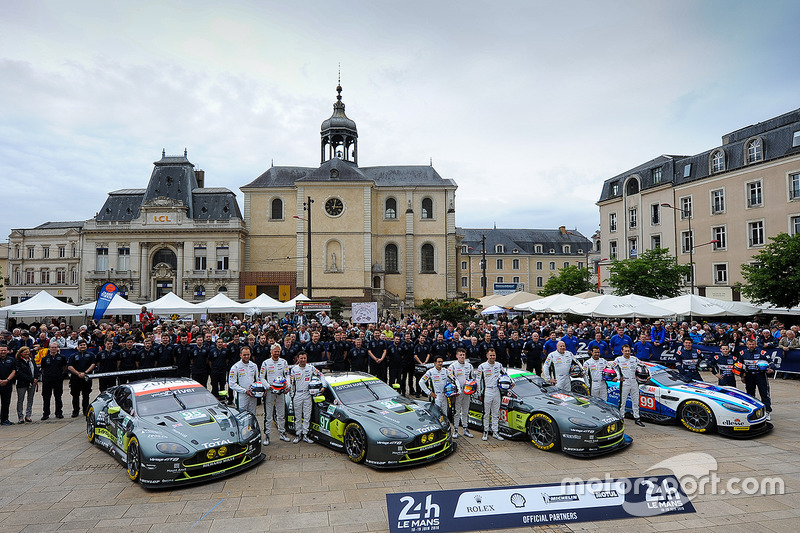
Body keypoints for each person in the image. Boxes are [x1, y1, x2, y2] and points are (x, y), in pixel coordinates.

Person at [288, 350, 327, 443]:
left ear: (307, 358)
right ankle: (298, 434)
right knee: (297, 416)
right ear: (298, 359)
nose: (303, 360)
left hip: (308, 394)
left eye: (304, 358)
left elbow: (321, 375)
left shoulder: (311, 368)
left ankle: (305, 434)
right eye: (301, 358)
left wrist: (323, 386)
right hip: (297, 394)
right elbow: (291, 383)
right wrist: (291, 394)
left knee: (307, 415)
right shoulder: (294, 370)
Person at [737, 338, 774, 420]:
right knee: (750, 395)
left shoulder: (762, 352)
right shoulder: (742, 353)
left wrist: (771, 369)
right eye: (749, 344)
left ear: (756, 344)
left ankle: (767, 411)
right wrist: (742, 376)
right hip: (749, 376)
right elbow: (739, 366)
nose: (751, 346)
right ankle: (752, 411)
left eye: (753, 344)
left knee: (764, 394)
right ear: (747, 345)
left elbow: (771, 362)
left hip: (760, 375)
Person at [261, 343, 290, 445]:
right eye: (275, 352)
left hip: (281, 392)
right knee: (268, 415)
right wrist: (269, 386)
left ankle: (282, 433)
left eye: (278, 351)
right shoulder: (265, 363)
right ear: (271, 352)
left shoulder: (284, 362)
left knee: (281, 414)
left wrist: (288, 386)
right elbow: (261, 377)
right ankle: (267, 435)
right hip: (270, 392)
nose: (277, 353)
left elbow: (287, 375)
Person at [477, 348, 505, 441]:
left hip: (496, 391)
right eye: (490, 355)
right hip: (487, 391)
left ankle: (495, 431)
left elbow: (505, 376)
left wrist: (510, 383)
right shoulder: (482, 366)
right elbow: (478, 381)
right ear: (487, 356)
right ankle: (485, 432)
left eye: (494, 355)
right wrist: (479, 393)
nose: (492, 357)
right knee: (486, 413)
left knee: (496, 413)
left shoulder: (499, 365)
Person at [613, 345, 645, 427]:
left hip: (634, 381)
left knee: (636, 402)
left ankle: (637, 418)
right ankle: (621, 419)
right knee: (622, 402)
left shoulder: (634, 359)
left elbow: (644, 365)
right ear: (622, 351)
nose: (627, 352)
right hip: (625, 382)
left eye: (628, 351)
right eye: (625, 351)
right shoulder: (618, 360)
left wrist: (648, 376)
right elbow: (611, 367)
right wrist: (617, 376)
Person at [447, 347, 474, 438]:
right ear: (457, 356)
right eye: (460, 355)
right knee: (457, 411)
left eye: (463, 355)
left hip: (467, 392)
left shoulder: (469, 366)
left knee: (465, 411)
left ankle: (465, 428)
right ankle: (456, 430)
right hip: (457, 393)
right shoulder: (452, 366)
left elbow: (472, 378)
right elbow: (449, 379)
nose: (462, 356)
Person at [67, 340, 95, 417]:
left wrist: (85, 372)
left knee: (86, 395)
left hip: (87, 378)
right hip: (75, 378)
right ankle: (75, 411)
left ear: (86, 346)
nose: (83, 346)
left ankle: (85, 410)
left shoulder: (91, 355)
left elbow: (93, 364)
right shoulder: (73, 356)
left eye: (84, 345)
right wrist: (78, 373)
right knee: (75, 395)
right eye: (81, 345)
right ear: (78, 346)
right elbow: (69, 366)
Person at [228, 346, 259, 415]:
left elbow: (257, 380)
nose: (246, 356)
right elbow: (232, 384)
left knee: (252, 415)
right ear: (240, 355)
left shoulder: (254, 366)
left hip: (252, 395)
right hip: (241, 396)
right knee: (242, 416)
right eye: (244, 355)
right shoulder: (235, 367)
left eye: (248, 354)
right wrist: (245, 391)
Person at [40, 341, 67, 420]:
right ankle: (46, 413)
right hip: (47, 380)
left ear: (58, 348)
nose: (53, 349)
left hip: (58, 379)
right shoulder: (45, 358)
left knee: (58, 397)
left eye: (55, 347)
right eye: (52, 347)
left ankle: (59, 413)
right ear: (49, 348)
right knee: (46, 397)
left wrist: (60, 374)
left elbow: (64, 367)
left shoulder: (62, 357)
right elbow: (43, 368)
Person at [419, 355, 450, 421]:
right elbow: (421, 382)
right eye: (439, 362)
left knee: (445, 415)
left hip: (444, 396)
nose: (440, 363)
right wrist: (429, 393)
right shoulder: (430, 372)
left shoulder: (446, 371)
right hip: (436, 397)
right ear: (435, 363)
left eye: (441, 362)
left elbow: (453, 379)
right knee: (435, 416)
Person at [15, 347, 39, 423]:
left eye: (28, 352)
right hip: (22, 383)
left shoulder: (31, 360)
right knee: (20, 400)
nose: (27, 354)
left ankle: (28, 415)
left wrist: (35, 378)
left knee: (30, 399)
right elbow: (19, 373)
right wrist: (31, 379)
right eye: (25, 352)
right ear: (21, 353)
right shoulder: (18, 361)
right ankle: (20, 417)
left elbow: (35, 369)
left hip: (32, 383)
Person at [0, 344, 16, 425]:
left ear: (7, 351)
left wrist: (7, 380)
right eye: (1, 350)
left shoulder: (11, 360)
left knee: (6, 402)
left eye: (4, 350)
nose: (3, 352)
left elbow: (14, 371)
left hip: (7, 384)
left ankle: (4, 419)